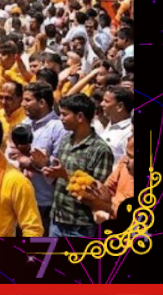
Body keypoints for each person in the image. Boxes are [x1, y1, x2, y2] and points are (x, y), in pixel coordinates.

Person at [43, 93, 115, 238]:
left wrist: (65, 175)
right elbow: (58, 177)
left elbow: (97, 192)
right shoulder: (65, 141)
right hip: (57, 220)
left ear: (80, 117)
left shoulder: (100, 150)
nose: (61, 118)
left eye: (65, 114)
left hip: (80, 226)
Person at [15, 81, 66, 235]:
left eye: (28, 100)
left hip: (44, 202)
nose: (23, 104)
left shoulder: (58, 128)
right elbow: (12, 154)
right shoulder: (24, 124)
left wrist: (32, 164)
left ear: (42, 102)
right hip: (21, 198)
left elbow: (58, 168)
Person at [81, 136, 135, 224]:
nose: (126, 160)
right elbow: (109, 188)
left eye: (131, 156)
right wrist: (97, 195)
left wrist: (106, 207)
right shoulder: (124, 163)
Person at [98, 86, 133, 162]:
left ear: (120, 106)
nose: (101, 104)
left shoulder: (129, 132)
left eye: (106, 101)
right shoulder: (110, 123)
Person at [0, 81, 27, 148]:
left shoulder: (27, 119)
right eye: (1, 97)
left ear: (20, 99)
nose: (3, 102)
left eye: (8, 98)